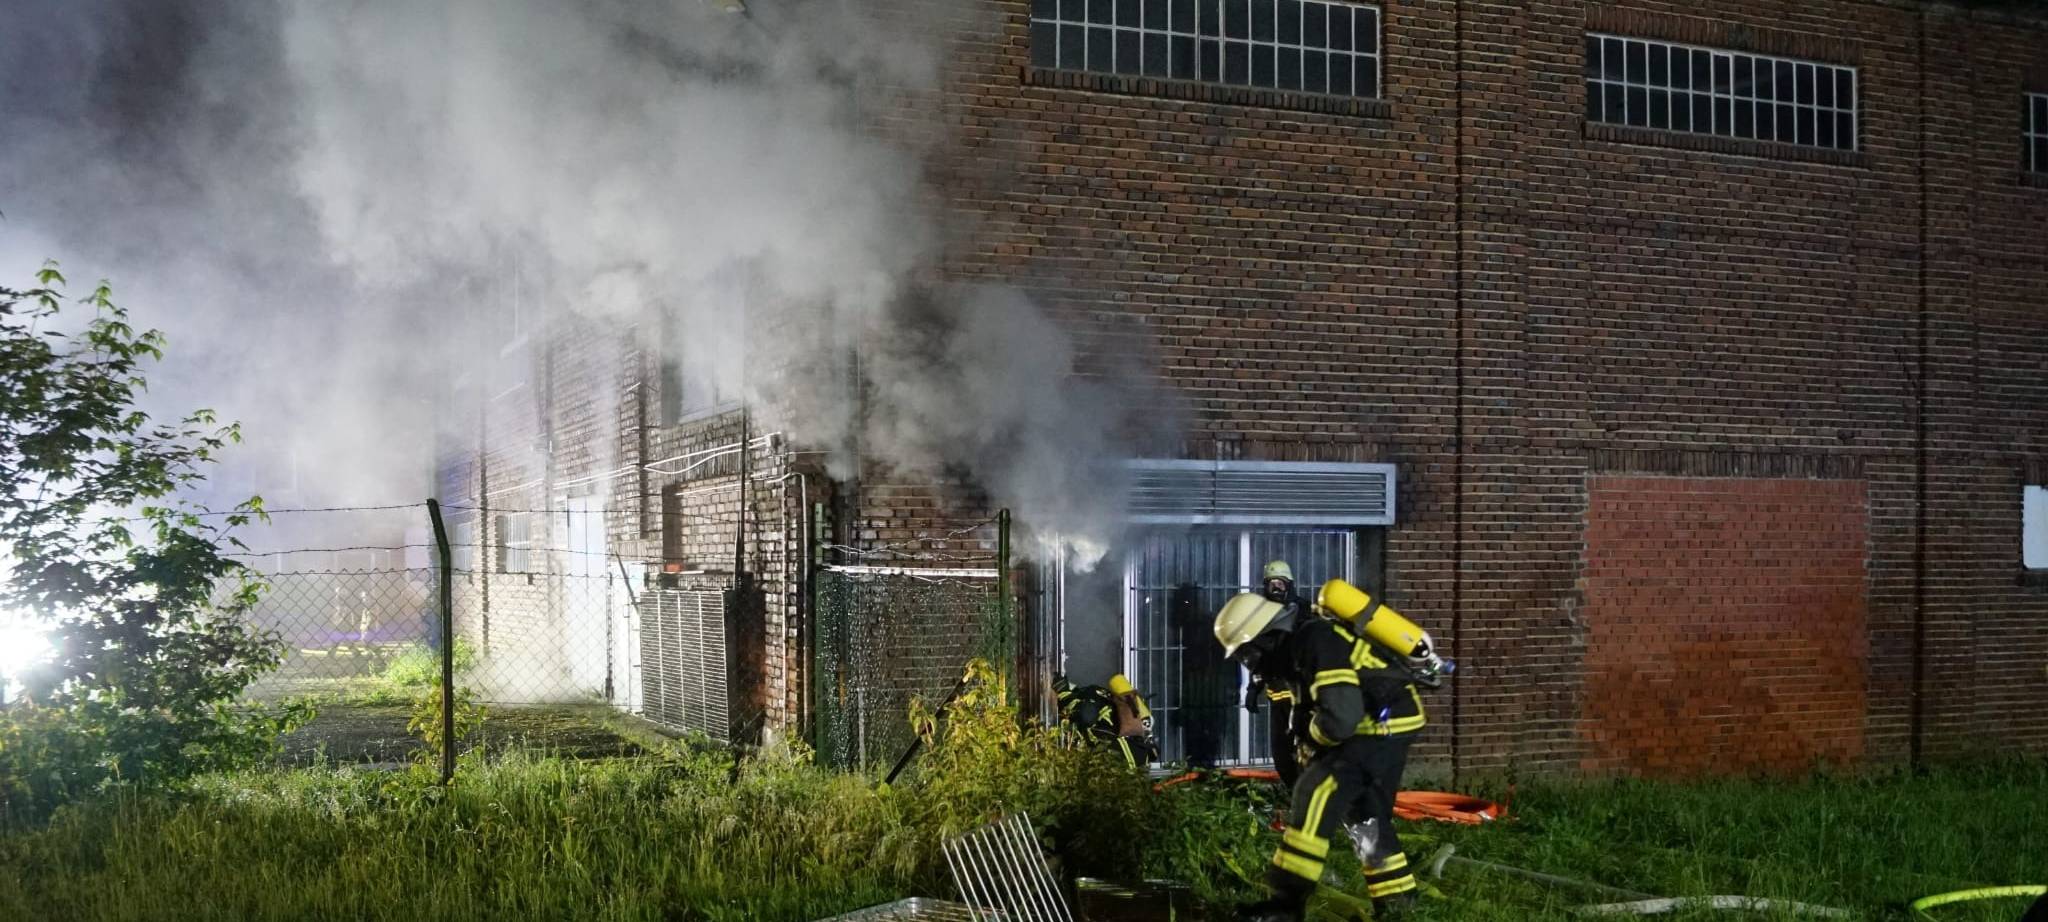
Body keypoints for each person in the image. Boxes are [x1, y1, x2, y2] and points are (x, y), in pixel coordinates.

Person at [1215, 567, 1428, 921]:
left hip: (1376, 726)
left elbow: (1341, 719)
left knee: (1315, 792)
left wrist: (1314, 740)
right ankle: (1398, 907)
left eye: (1247, 654)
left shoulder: (1315, 641)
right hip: (1387, 722)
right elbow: (1315, 709)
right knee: (1365, 817)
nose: (1249, 664)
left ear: (1265, 636)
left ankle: (1285, 905)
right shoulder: (1300, 648)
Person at [1053, 672, 1159, 769]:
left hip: (1098, 705)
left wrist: (1063, 691)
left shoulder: (1139, 731)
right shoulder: (1131, 759)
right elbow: (1081, 714)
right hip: (1094, 712)